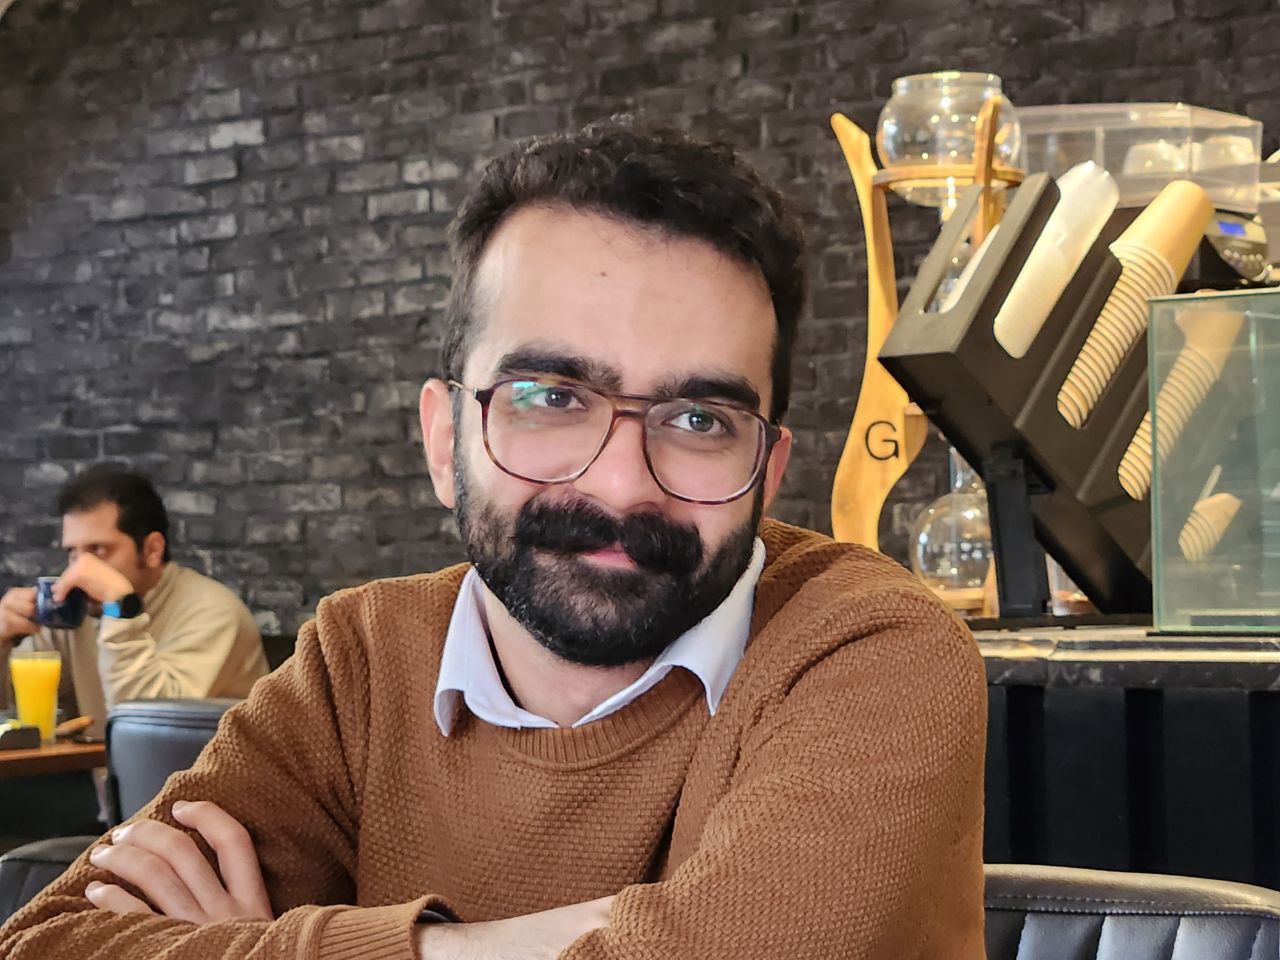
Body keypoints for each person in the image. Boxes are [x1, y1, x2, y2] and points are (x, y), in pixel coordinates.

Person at [0, 120, 987, 959]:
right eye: (551, 397)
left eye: (698, 420)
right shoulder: (360, 664)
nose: (620, 482)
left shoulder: (869, 649)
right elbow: (48, 944)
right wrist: (473, 945)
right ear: (445, 440)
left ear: (766, 472)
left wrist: (280, 944)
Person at [0, 466, 268, 737]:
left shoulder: (214, 613)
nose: (79, 570)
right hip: (100, 766)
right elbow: (15, 716)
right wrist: (1, 641)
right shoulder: (75, 610)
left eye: (98, 550)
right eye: (73, 553)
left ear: (152, 549)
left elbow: (152, 732)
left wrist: (121, 609)